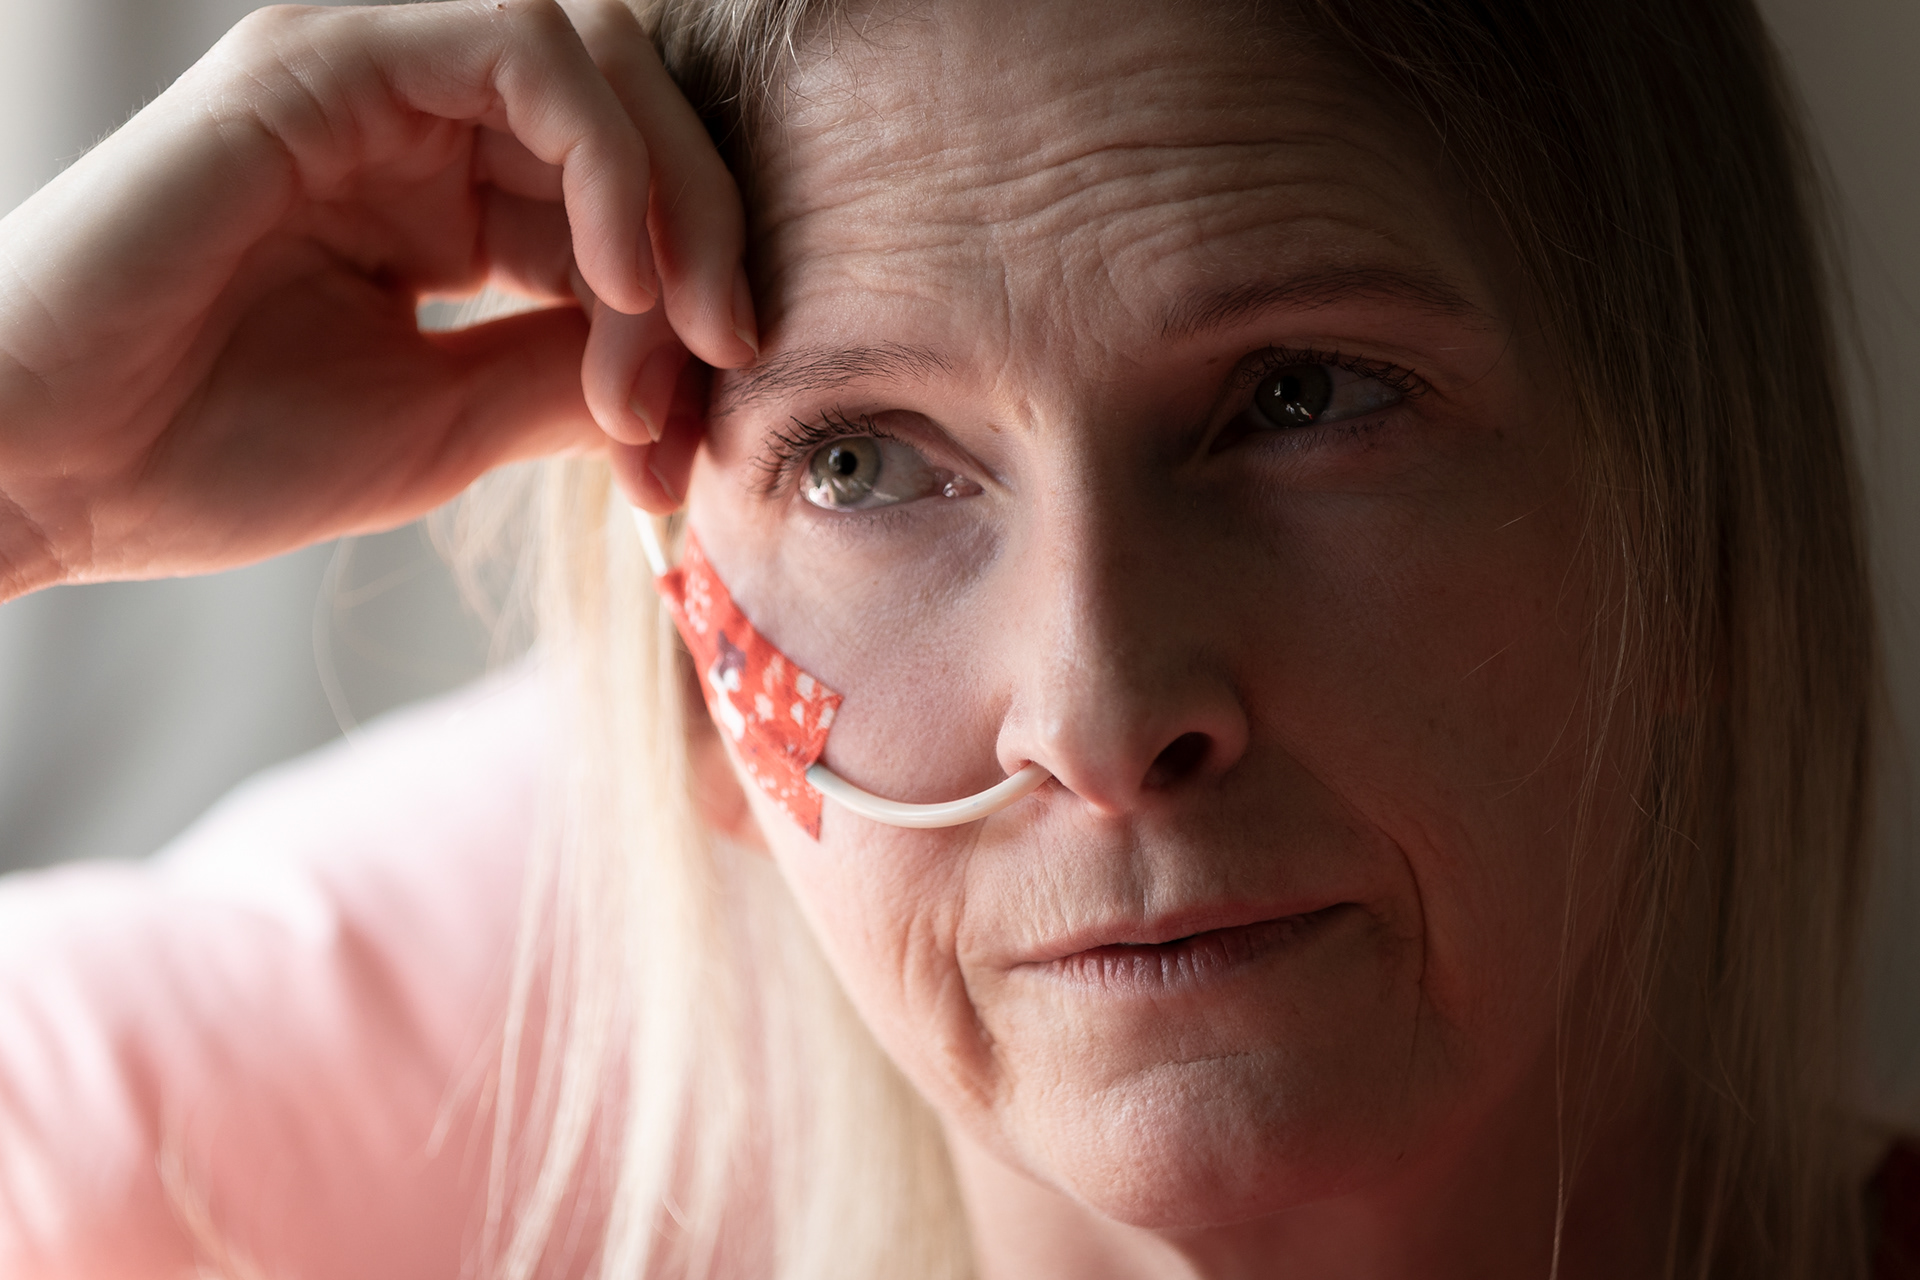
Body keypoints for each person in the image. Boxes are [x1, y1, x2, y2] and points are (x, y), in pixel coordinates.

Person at [0, 0, 1896, 1276]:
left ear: (1706, 542)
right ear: (696, 683)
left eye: (1304, 397)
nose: (1100, 712)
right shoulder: (203, 1130)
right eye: (858, 462)